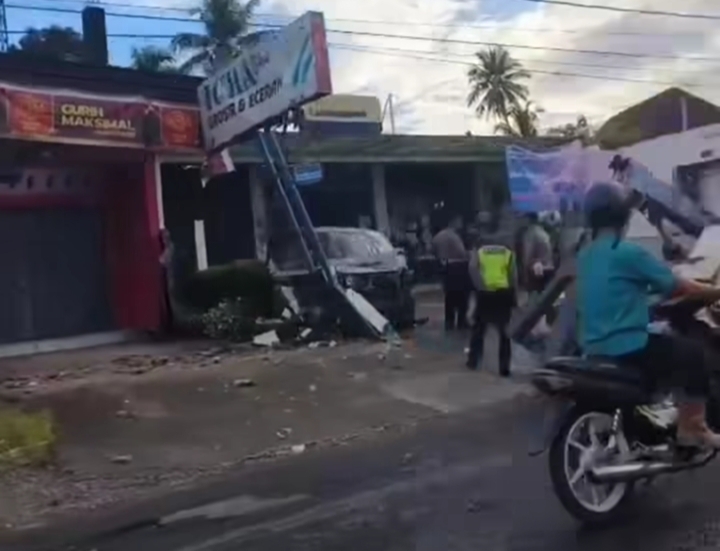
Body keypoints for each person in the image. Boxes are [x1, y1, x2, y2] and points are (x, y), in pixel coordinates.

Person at [577, 181, 720, 448]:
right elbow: (679, 285)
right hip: (627, 346)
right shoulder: (628, 252)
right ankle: (693, 427)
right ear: (623, 215)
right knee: (693, 354)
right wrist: (715, 292)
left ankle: (660, 412)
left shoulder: (585, 256)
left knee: (662, 336)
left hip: (593, 346)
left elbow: (618, 291)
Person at [466, 212, 517, 376]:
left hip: (485, 293)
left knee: (479, 328)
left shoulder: (479, 244)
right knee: (504, 332)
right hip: (504, 291)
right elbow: (513, 272)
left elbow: (473, 267)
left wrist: (480, 287)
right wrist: (512, 291)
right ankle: (504, 368)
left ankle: (473, 362)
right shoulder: (507, 245)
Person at [432, 214, 469, 330]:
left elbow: (433, 251)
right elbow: (462, 252)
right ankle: (461, 323)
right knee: (462, 298)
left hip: (445, 268)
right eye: (459, 222)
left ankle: (449, 323)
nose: (461, 224)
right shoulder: (454, 236)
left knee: (449, 298)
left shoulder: (438, 237)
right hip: (457, 267)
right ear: (454, 222)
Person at [522, 212, 555, 296]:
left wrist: (525, 275)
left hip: (535, 272)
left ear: (528, 219)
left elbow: (528, 254)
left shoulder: (531, 233)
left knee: (534, 299)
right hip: (546, 269)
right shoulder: (543, 232)